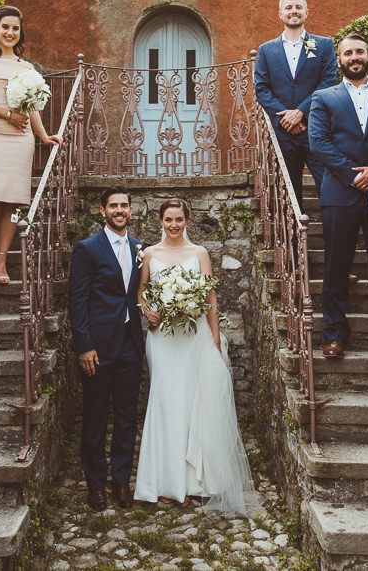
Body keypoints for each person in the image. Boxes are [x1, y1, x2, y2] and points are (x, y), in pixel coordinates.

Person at [134, 199, 262, 515]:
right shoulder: (149, 253)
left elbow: (210, 295)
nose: (173, 225)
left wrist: (215, 338)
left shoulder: (200, 253)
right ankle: (166, 482)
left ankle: (197, 482)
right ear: (160, 221)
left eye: (178, 219)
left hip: (195, 335)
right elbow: (141, 291)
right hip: (163, 338)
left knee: (194, 401)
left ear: (187, 220)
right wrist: (146, 310)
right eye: (168, 219)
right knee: (166, 402)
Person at [309, 34, 368, 360]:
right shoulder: (324, 97)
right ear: (339, 60)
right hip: (339, 193)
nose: (354, 57)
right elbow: (318, 143)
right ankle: (335, 335)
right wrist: (353, 174)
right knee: (336, 265)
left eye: (359, 51)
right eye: (348, 53)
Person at [0, 5, 62, 286]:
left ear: (20, 33)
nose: (10, 32)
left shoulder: (27, 68)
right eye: (5, 27)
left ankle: (1, 259)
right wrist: (6, 114)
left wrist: (44, 136)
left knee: (15, 201)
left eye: (15, 28)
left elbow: (32, 108)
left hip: (22, 139)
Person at [68, 187, 145, 511]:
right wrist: (84, 346)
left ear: (131, 210)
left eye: (124, 205)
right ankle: (96, 485)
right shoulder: (88, 248)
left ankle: (121, 482)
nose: (119, 210)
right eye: (113, 205)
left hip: (131, 345)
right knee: (96, 417)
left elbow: (139, 293)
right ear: (102, 211)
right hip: (98, 348)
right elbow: (77, 300)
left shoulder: (140, 247)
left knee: (127, 418)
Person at [254, 0, 337, 208]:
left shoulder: (324, 45)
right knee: (289, 195)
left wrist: (301, 112)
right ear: (280, 14)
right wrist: (286, 118)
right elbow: (261, 89)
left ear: (306, 12)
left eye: (298, 7)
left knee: (328, 187)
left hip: (316, 128)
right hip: (284, 132)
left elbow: (328, 82)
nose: (294, 11)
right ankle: (293, 242)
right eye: (289, 7)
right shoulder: (265, 50)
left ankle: (334, 241)